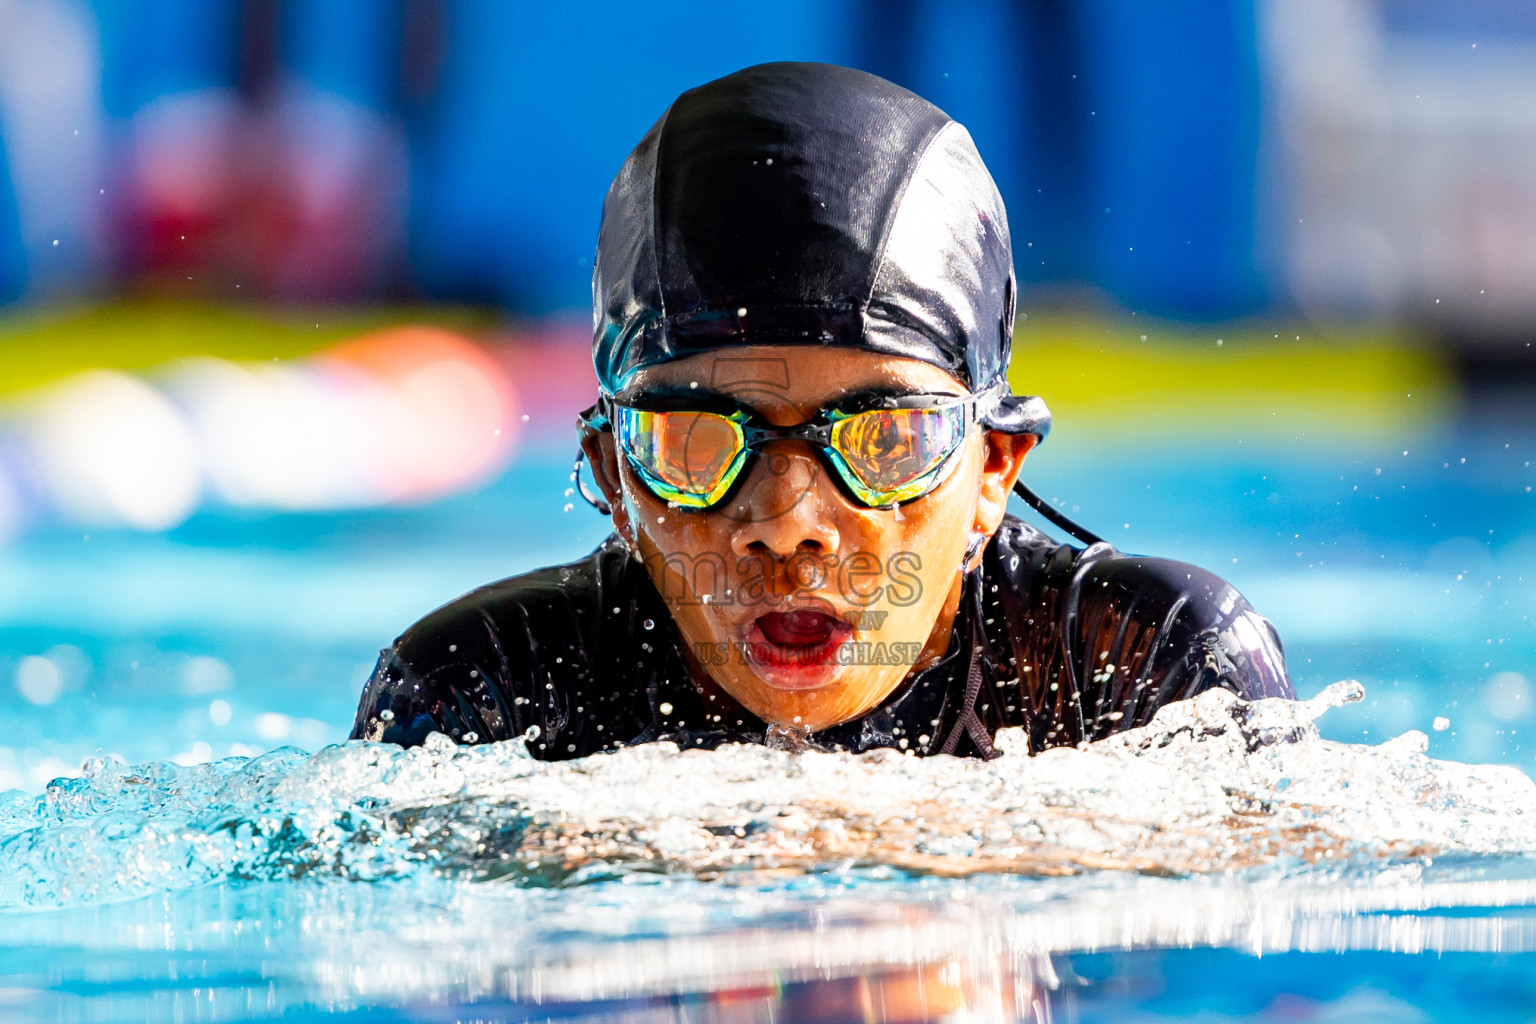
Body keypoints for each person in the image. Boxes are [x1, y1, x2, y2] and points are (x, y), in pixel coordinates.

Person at [350, 62, 1291, 759]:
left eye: (883, 440)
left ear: (994, 467)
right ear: (615, 479)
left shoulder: (1137, 666)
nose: (788, 524)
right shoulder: (489, 687)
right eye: (700, 442)